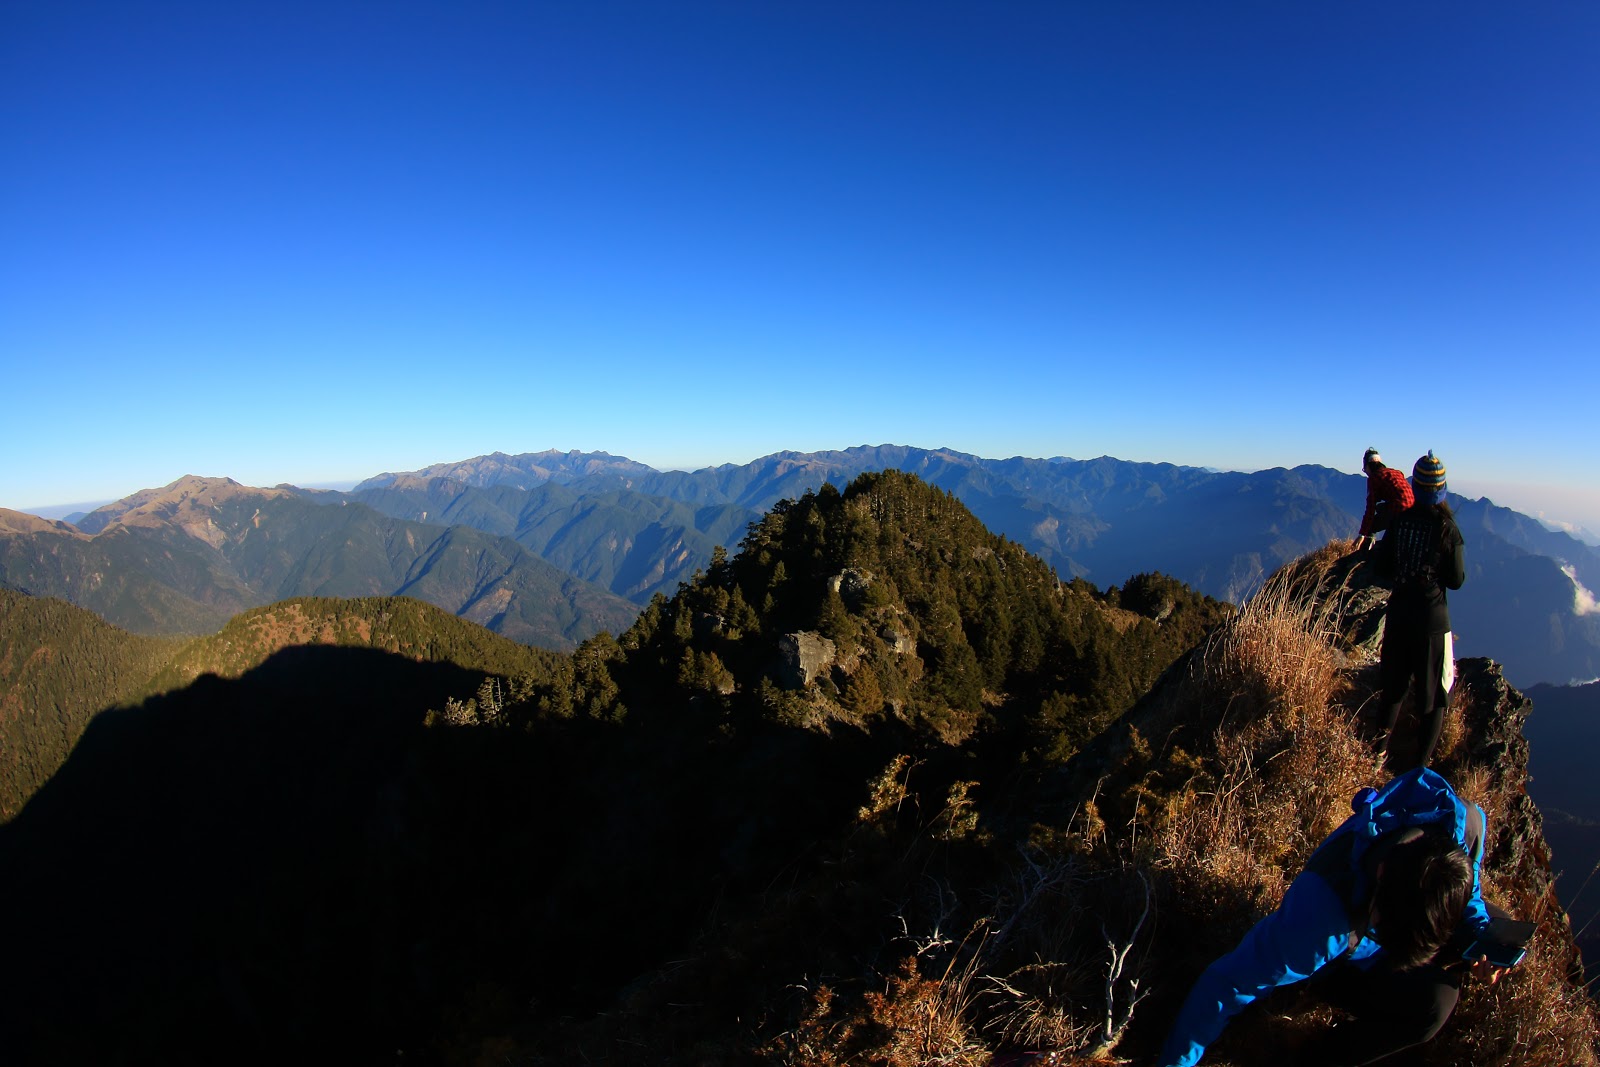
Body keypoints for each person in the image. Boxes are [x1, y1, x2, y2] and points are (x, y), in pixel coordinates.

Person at [1156, 768, 1502, 1067]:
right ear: (1381, 872)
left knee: (1477, 941)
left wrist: (1481, 935)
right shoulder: (1318, 927)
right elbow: (1227, 985)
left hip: (1385, 925)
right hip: (1342, 963)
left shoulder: (1458, 828)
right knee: (1435, 1005)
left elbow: (1466, 887)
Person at [1371, 452, 1464, 767]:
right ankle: (1419, 767)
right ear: (1441, 489)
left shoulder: (1400, 520)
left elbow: (1384, 565)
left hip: (1398, 615)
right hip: (1431, 623)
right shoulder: (1447, 528)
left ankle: (1376, 753)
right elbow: (1456, 579)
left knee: (1393, 688)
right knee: (1435, 697)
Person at [1353, 448, 1413, 552]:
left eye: (1364, 469)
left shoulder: (1374, 478)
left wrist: (1362, 534)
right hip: (1413, 508)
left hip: (1398, 508)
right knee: (1381, 508)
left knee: (1372, 526)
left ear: (1367, 466)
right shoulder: (1396, 473)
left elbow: (1370, 509)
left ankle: (1364, 553)